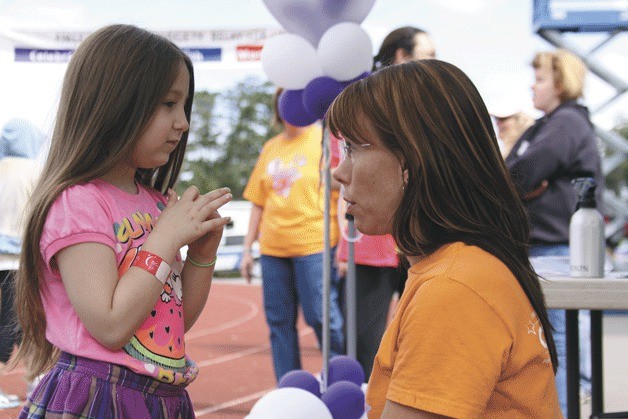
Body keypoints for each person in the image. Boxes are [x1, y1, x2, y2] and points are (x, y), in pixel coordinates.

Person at [12, 24, 233, 418]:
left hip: (159, 398)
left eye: (184, 107)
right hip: (98, 395)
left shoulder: (151, 202)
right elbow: (112, 326)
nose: (182, 123)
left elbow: (174, 324)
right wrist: (164, 239)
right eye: (168, 104)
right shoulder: (77, 203)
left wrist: (201, 255)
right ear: (116, 103)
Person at [329, 59, 560, 418]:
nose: (339, 172)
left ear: (411, 160)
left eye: (355, 148)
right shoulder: (463, 268)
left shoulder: (453, 288)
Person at [331, 26, 438, 379]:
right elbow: (342, 174)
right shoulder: (363, 107)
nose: (437, 63)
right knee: (367, 343)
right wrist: (345, 248)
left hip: (420, 238)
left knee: (424, 339)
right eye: (429, 55)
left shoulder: (431, 113)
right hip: (373, 246)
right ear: (403, 57)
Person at [506, 49, 603, 414]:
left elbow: (520, 172)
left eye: (542, 79)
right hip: (544, 250)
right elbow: (511, 173)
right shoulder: (545, 125)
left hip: (557, 252)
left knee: (562, 344)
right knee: (549, 344)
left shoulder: (566, 123)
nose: (533, 85)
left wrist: (519, 183)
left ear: (561, 84)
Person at [240, 89, 344, 382]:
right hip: (273, 249)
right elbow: (258, 202)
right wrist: (248, 250)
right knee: (279, 323)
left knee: (322, 317)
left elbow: (342, 193)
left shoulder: (324, 140)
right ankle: (290, 387)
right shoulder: (270, 148)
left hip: (314, 245)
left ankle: (338, 382)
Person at [0, 119, 45, 409]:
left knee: (3, 324)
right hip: (23, 261)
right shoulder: (36, 172)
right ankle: (35, 386)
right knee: (30, 325)